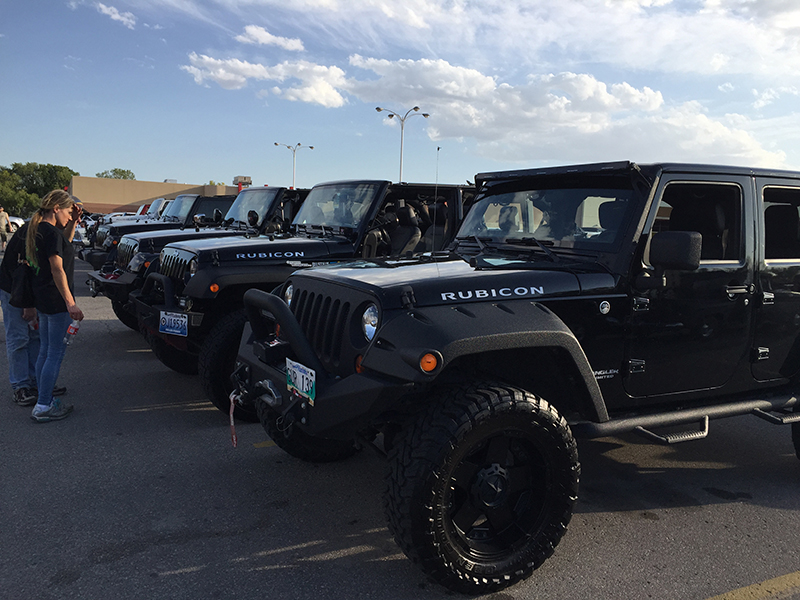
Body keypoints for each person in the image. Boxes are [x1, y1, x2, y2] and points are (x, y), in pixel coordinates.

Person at [26, 190, 84, 422]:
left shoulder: (42, 231)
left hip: (44, 299)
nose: (70, 217)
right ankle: (43, 406)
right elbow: (57, 268)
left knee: (45, 351)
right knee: (54, 354)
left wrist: (75, 221)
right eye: (69, 212)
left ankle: (45, 399)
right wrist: (70, 303)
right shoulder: (50, 233)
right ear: (56, 208)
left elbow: (65, 244)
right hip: (56, 300)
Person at [0, 221, 41, 405]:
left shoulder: (50, 230)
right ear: (56, 209)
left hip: (29, 292)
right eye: (71, 212)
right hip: (14, 290)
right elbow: (23, 270)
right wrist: (28, 304)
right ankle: (20, 386)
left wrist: (72, 224)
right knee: (18, 339)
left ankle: (35, 381)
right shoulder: (32, 232)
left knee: (35, 337)